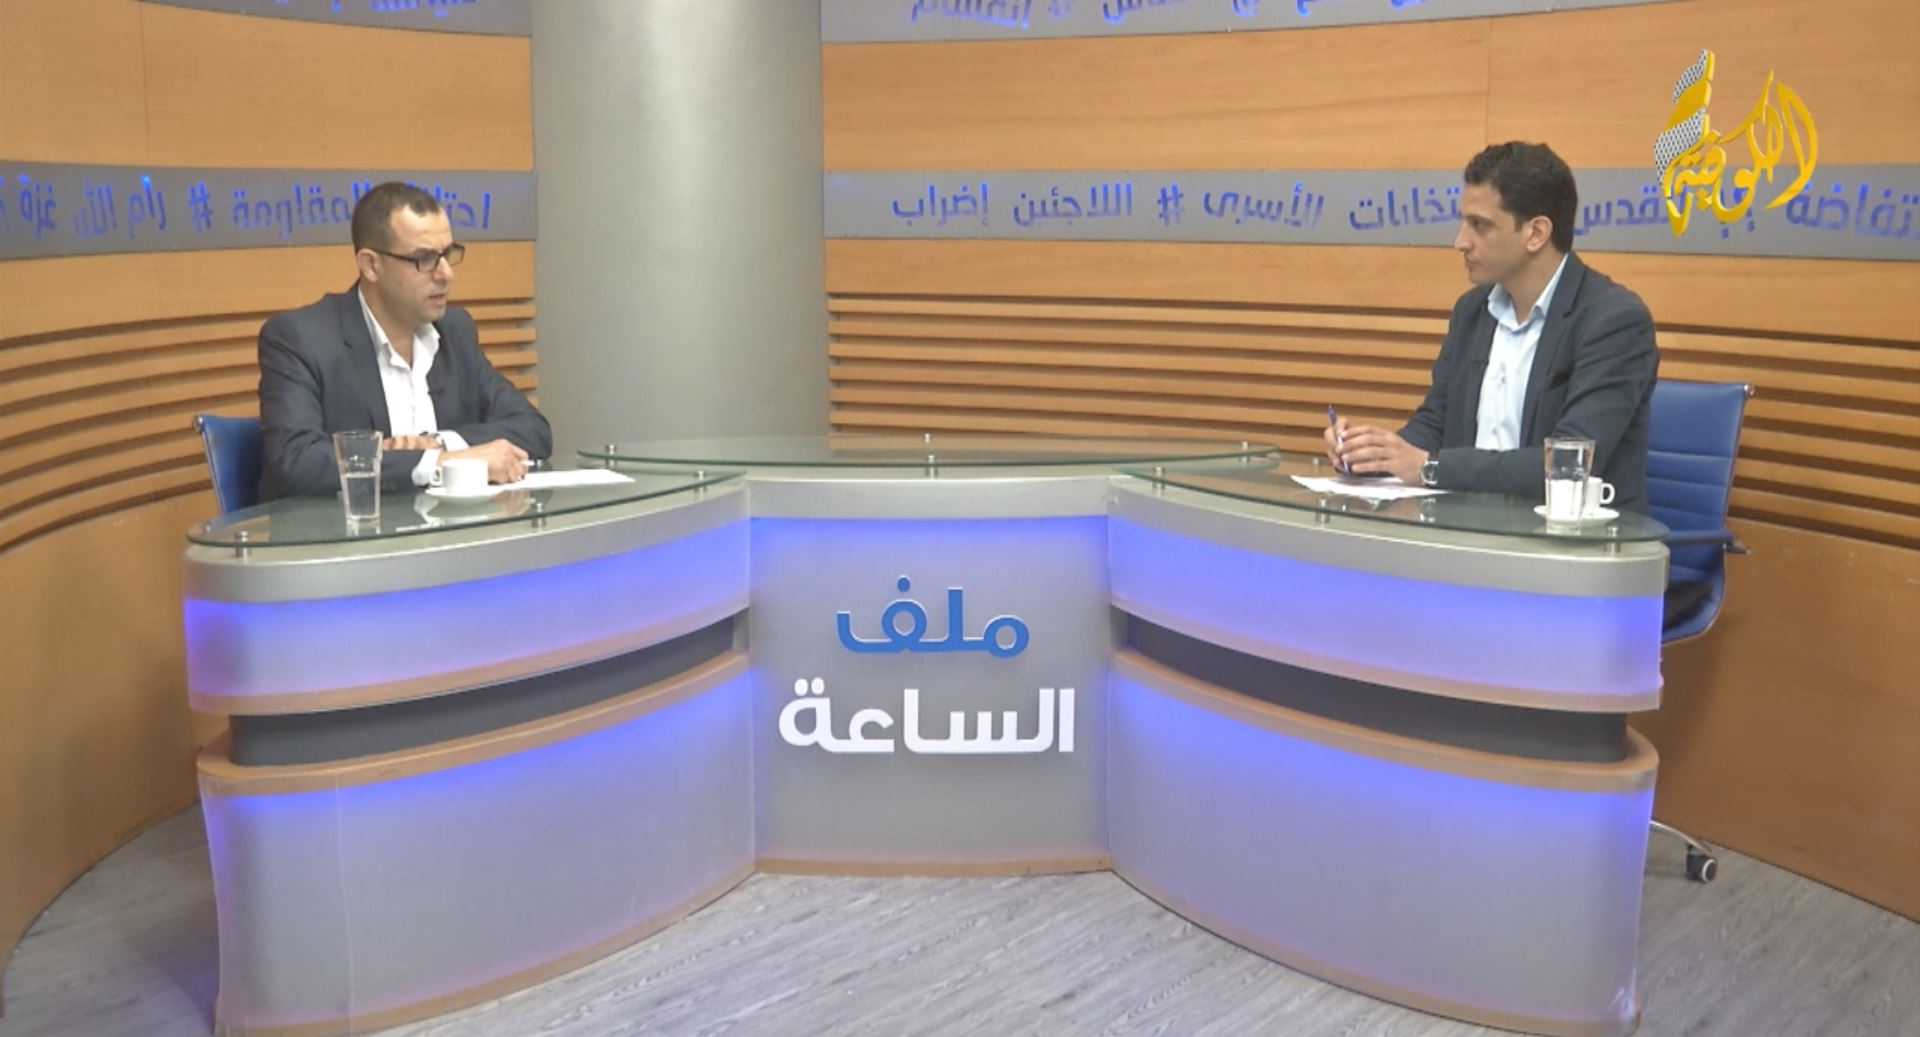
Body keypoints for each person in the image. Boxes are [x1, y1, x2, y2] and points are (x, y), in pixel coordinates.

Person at [1326, 142, 1660, 512]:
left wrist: (1429, 468)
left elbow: (1569, 464)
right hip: (1469, 528)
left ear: (1536, 233)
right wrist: (1372, 454)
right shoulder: (1472, 311)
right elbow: (1435, 425)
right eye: (1463, 222)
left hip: (1569, 537)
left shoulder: (1613, 321)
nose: (1460, 242)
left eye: (1479, 225)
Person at [256, 182, 551, 500]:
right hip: (350, 529)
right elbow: (296, 462)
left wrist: (440, 443)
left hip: (448, 526)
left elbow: (533, 429)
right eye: (424, 259)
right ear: (371, 265)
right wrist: (439, 463)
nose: (445, 274)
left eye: (447, 254)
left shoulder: (454, 330)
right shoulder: (301, 339)